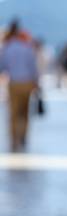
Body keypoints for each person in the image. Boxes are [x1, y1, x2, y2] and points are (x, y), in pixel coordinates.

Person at [0, 20, 39, 152]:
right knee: (25, 112)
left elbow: (2, 67)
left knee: (13, 113)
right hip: (27, 83)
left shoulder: (7, 48)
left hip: (14, 83)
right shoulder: (27, 47)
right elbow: (33, 67)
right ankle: (23, 136)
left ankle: (13, 139)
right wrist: (36, 82)